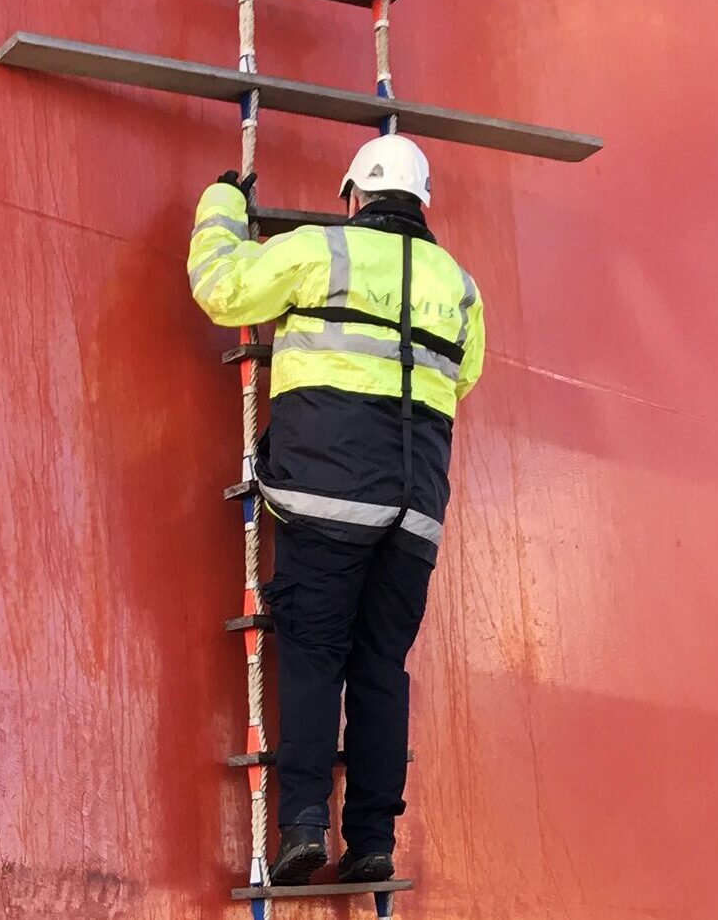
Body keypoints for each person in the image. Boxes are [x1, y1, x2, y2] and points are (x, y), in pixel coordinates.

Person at [185, 134, 485, 886]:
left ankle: (303, 826)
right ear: (422, 202)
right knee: (381, 665)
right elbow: (464, 375)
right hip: (415, 511)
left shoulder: (318, 250)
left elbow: (222, 290)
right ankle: (375, 839)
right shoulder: (460, 286)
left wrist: (222, 203)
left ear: (353, 195)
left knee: (315, 656)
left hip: (323, 498)